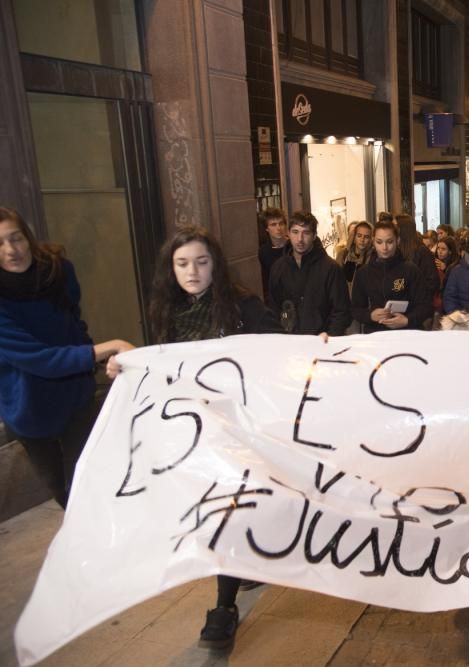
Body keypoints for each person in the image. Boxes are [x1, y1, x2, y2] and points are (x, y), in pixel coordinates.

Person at [131, 225, 283, 650]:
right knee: (217, 516)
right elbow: (162, 367)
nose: (192, 271)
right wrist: (129, 371)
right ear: (171, 268)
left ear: (215, 264)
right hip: (191, 434)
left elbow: (279, 352)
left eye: (201, 261)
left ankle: (223, 607)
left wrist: (316, 347)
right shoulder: (167, 311)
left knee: (225, 516)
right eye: (182, 263)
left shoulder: (243, 307)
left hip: (238, 430)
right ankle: (245, 566)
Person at [0, 207, 134, 509]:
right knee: (60, 488)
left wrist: (95, 359)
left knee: (87, 480)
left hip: (75, 396)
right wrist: (108, 347)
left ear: (28, 237)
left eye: (16, 238)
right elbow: (40, 358)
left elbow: (73, 323)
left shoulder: (58, 270)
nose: (11, 250)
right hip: (28, 410)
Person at [267, 211, 351, 335]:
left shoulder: (330, 268)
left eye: (305, 233)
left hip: (323, 341)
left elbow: (342, 310)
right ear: (288, 233)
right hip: (290, 341)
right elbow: (274, 308)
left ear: (314, 235)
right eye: (295, 232)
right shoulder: (279, 267)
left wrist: (330, 336)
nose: (300, 239)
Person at [351, 220, 433, 333]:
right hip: (376, 333)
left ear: (397, 241)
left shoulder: (411, 270)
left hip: (407, 333)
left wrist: (407, 320)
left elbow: (426, 306)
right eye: (379, 242)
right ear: (373, 241)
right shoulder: (363, 273)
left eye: (389, 242)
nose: (384, 247)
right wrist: (370, 315)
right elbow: (355, 308)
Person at [257, 208, 288, 296]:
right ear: (267, 228)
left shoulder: (293, 246)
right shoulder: (264, 251)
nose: (278, 228)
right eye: (273, 225)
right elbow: (266, 280)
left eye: (281, 224)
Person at [334, 220, 372, 287]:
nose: (362, 240)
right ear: (354, 237)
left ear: (371, 239)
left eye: (366, 237)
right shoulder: (343, 255)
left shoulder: (373, 257)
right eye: (359, 236)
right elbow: (336, 279)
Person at [432, 236, 459, 313]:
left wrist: (446, 269)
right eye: (438, 248)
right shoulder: (434, 261)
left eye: (443, 249)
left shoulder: (455, 264)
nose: (439, 251)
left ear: (450, 251)